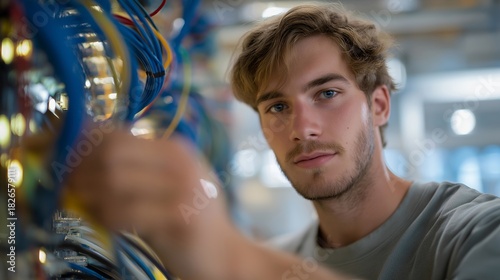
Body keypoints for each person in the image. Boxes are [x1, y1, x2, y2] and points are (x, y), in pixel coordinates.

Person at [229, 2, 500, 280]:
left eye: (327, 94)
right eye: (277, 107)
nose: (302, 129)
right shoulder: (276, 266)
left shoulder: (478, 232)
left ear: (379, 106)